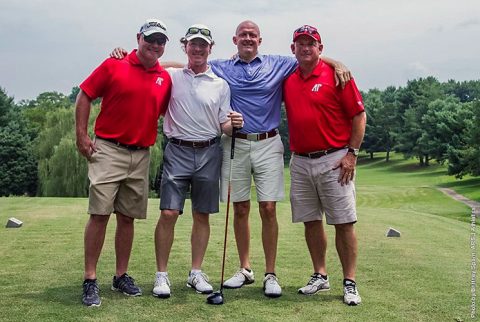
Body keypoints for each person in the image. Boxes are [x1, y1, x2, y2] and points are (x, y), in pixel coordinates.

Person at [110, 20, 350, 298]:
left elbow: (307, 54)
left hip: (267, 142)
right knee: (236, 209)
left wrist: (337, 63)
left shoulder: (278, 63)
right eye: (243, 35)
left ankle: (269, 273)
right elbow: (176, 63)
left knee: (268, 208)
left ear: (260, 40)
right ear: (234, 40)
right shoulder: (220, 67)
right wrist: (126, 54)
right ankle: (244, 269)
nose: (248, 39)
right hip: (230, 143)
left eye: (253, 35)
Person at [75, 18, 172, 307]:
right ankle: (90, 278)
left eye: (160, 41)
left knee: (127, 217)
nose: (155, 45)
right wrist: (81, 136)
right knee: (100, 214)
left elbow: (178, 73)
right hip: (108, 149)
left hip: (141, 154)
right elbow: (85, 96)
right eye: (150, 39)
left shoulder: (163, 77)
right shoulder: (113, 64)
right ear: (138, 37)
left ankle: (120, 276)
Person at [151, 24, 243, 299]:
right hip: (177, 149)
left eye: (203, 44)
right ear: (185, 46)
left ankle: (195, 272)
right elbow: (152, 62)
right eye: (193, 44)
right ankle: (162, 275)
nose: (198, 49)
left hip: (208, 152)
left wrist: (233, 123)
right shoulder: (172, 76)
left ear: (210, 48)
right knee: (168, 212)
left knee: (202, 214)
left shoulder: (220, 84)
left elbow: (223, 124)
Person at [282, 25, 366, 306]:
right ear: (293, 48)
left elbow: (358, 116)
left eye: (311, 43)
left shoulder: (338, 75)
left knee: (343, 222)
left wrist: (352, 154)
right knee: (310, 220)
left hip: (334, 159)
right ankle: (320, 275)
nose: (306, 48)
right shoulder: (288, 77)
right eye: (300, 43)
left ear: (320, 48)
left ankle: (350, 282)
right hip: (301, 160)